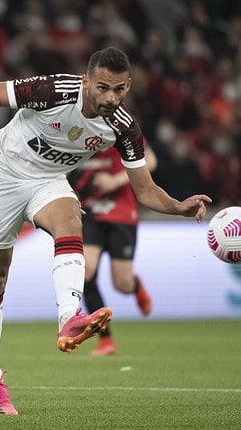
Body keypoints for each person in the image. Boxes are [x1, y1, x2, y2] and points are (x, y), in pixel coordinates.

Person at [0, 46, 211, 415]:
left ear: (128, 86)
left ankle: (69, 318)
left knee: (70, 219)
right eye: (102, 88)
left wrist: (177, 206)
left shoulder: (124, 127)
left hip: (48, 181)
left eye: (118, 90)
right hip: (3, 170)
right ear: (86, 81)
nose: (110, 97)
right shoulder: (55, 90)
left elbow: (144, 190)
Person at [71, 143, 157, 356]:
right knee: (85, 274)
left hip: (122, 216)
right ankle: (105, 339)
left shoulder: (118, 130)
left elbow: (151, 160)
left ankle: (135, 287)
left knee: (122, 284)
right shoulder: (75, 133)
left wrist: (115, 180)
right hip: (90, 215)